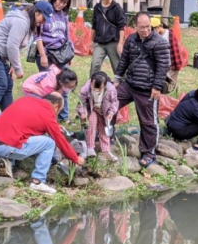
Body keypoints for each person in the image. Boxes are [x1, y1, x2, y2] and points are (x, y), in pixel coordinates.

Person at [0, 92, 84, 194]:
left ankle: (8, 162)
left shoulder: (24, 100)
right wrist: (75, 158)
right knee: (49, 143)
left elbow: (27, 123)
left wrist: (54, 126)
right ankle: (38, 182)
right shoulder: (48, 116)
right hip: (6, 147)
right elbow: (60, 141)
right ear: (56, 106)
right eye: (59, 111)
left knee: (18, 135)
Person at [0, 1, 52, 131]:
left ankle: (8, 116)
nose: (44, 22)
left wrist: (11, 64)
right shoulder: (21, 22)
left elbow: (16, 46)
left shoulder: (28, 24)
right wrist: (18, 68)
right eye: (43, 18)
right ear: (37, 12)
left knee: (8, 85)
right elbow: (12, 45)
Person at [114, 12, 170, 168]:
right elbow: (124, 59)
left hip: (148, 88)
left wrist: (157, 87)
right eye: (142, 27)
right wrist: (117, 79)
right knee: (109, 103)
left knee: (149, 122)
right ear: (135, 26)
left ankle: (149, 152)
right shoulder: (131, 39)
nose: (146, 30)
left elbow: (163, 67)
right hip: (130, 84)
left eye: (148, 27)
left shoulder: (160, 43)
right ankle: (107, 135)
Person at [36, 0, 75, 122]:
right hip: (47, 54)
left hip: (62, 54)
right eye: (60, 1)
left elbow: (67, 36)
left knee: (63, 85)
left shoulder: (64, 15)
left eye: (65, 3)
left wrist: (70, 54)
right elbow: (38, 36)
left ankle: (64, 117)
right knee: (48, 86)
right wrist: (42, 56)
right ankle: (47, 116)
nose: (61, 5)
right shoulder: (45, 12)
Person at [76, 71, 119, 161]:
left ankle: (106, 150)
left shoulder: (111, 90)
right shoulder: (86, 89)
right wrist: (83, 112)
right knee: (91, 124)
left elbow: (114, 102)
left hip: (104, 110)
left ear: (105, 84)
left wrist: (111, 113)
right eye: (94, 87)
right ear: (91, 82)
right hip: (91, 109)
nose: (96, 90)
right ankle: (90, 147)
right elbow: (82, 103)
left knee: (104, 128)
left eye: (99, 89)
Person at [89, 0, 127, 76]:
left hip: (113, 42)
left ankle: (122, 87)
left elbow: (121, 26)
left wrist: (120, 43)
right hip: (99, 42)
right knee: (95, 65)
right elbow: (94, 25)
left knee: (118, 67)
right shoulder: (97, 8)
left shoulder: (117, 8)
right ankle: (92, 85)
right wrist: (91, 40)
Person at [152, 16, 187, 93]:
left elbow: (176, 50)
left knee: (170, 82)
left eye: (153, 29)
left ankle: (169, 88)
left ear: (158, 27)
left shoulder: (169, 35)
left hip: (171, 64)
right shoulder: (155, 37)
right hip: (161, 63)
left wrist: (177, 66)